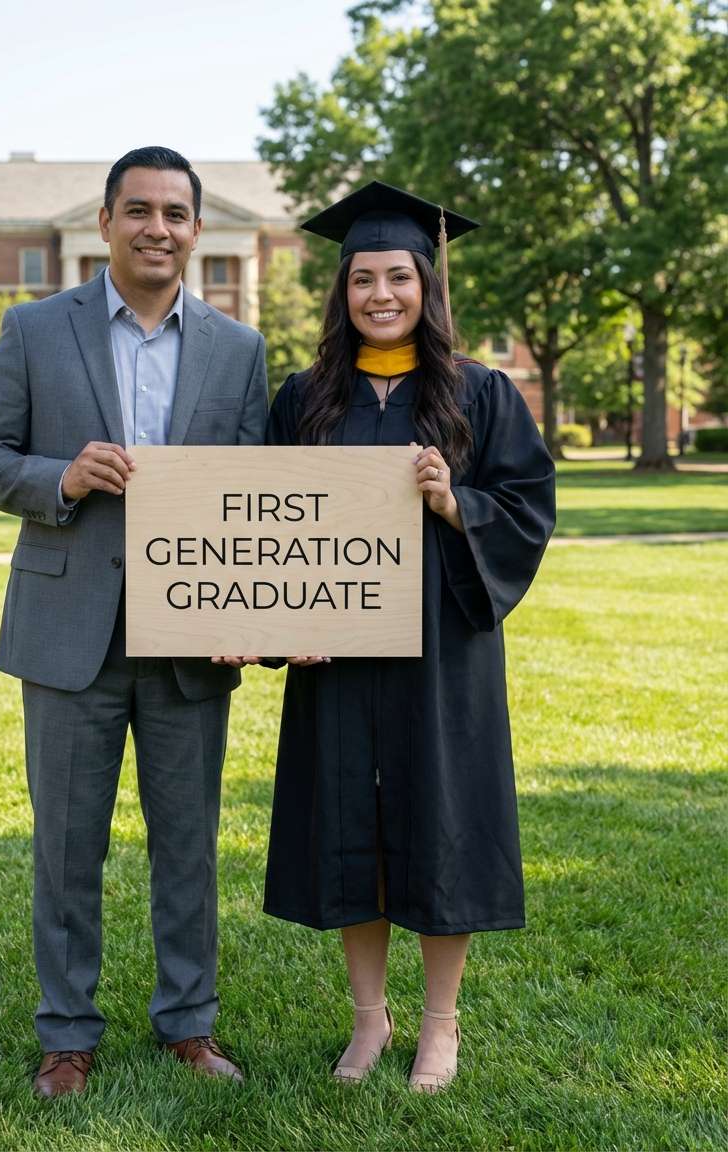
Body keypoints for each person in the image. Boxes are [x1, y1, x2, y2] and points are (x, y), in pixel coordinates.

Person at [0, 146, 268, 1097]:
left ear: (197, 230)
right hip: (68, 632)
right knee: (66, 849)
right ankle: (67, 1037)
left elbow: (252, 497)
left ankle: (189, 1025)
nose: (156, 229)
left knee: (189, 846)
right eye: (138, 210)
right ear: (105, 223)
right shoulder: (35, 329)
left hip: (190, 642)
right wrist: (61, 477)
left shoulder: (239, 350)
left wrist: (252, 608)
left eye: (174, 213)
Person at [262, 181, 555, 1092]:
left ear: (426, 285)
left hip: (442, 649)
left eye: (398, 276)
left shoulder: (479, 392)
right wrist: (275, 624)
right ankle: (368, 1021)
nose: (380, 294)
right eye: (362, 279)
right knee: (349, 821)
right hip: (337, 650)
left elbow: (528, 507)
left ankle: (439, 1026)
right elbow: (264, 527)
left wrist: (454, 502)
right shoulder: (305, 399)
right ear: (341, 290)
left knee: (440, 821)